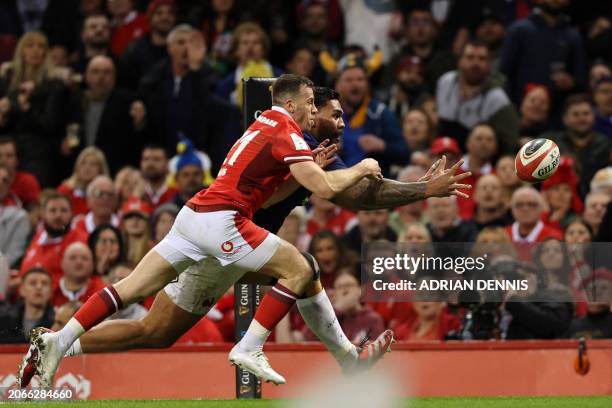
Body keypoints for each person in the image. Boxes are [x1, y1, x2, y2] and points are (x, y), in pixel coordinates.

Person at [17, 82, 469, 387]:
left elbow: (314, 196)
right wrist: (400, 182)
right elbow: (348, 193)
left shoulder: (297, 143)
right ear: (305, 106)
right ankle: (261, 349)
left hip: (209, 228)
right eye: (331, 112)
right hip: (226, 233)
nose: (339, 121)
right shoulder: (292, 136)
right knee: (302, 271)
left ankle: (56, 344)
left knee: (154, 331)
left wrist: (409, 188)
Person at [139, 25, 240, 173]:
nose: (186, 48)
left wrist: (195, 69)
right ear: (169, 48)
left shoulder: (209, 76)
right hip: (163, 155)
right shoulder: (155, 78)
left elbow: (206, 106)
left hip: (202, 158)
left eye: (191, 43)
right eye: (180, 43)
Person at [0, 32, 70, 187]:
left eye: (41, 46)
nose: (35, 51)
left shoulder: (54, 85)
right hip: (8, 152)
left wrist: (27, 109)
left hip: (40, 154)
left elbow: (51, 125)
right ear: (21, 51)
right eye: (30, 46)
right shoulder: (7, 82)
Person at [67, 56, 146, 174]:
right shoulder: (74, 101)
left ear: (114, 77)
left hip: (115, 170)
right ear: (86, 76)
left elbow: (139, 140)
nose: (101, 77)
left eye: (107, 72)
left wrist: (140, 124)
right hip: (79, 170)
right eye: (95, 72)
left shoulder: (128, 102)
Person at [437, 39, 519, 154]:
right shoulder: (446, 82)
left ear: (488, 65)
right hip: (442, 151)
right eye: (470, 57)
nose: (475, 63)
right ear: (460, 61)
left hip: (477, 159)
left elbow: (509, 143)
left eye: (481, 59)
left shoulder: (497, 98)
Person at [334, 53, 409, 175]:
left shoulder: (381, 113)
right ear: (337, 85)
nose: (355, 84)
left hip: (372, 186)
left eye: (360, 79)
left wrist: (383, 146)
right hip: (335, 182)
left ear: (367, 83)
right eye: (349, 80)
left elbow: (404, 154)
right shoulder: (327, 114)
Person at [500, 0, 586, 104]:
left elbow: (580, 79)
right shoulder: (519, 30)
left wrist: (571, 82)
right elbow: (504, 73)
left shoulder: (572, 35)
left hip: (559, 108)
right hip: (522, 106)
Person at [546, 94, 611, 198]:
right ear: (565, 119)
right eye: (576, 115)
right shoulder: (551, 142)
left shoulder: (606, 145)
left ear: (594, 116)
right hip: (559, 198)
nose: (581, 118)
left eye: (586, 114)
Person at [20, 191, 87, 287]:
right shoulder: (37, 237)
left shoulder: (81, 241)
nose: (58, 215)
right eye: (53, 210)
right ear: (43, 214)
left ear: (72, 213)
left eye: (63, 210)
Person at [304, 272, 385, 343]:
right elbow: (308, 338)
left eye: (349, 285)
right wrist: (337, 309)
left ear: (359, 291)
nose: (345, 290)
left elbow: (378, 349)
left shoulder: (373, 319)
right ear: (334, 295)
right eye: (340, 287)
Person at [119, 0, 177, 89]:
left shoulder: (181, 50)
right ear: (150, 18)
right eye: (159, 13)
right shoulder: (134, 51)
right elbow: (124, 84)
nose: (165, 17)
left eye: (170, 13)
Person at [0, 267, 54, 343]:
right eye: (33, 283)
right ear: (22, 290)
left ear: (50, 292)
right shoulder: (4, 320)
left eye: (44, 283)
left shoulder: (57, 323)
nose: (39, 287)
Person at [58, 147, 110, 217]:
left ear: (101, 169)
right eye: (83, 163)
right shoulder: (65, 191)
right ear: (77, 167)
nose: (87, 167)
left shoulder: (107, 192)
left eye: (93, 164)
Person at [52, 242, 106, 307]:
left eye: (84, 258)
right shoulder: (51, 288)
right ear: (62, 263)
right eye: (73, 258)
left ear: (93, 264)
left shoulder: (102, 290)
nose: (79, 262)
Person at [0, 136, 40, 214]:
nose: (3, 160)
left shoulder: (28, 181)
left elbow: (35, 213)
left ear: (17, 160)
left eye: (9, 156)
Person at [0, 164, 30, 267]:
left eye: (4, 180)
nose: (0, 184)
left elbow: (13, 254)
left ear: (10, 184)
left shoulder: (20, 217)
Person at [119, 197, 152, 267]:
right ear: (123, 222)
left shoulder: (154, 250)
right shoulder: (116, 248)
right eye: (129, 216)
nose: (134, 220)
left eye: (140, 216)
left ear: (147, 222)